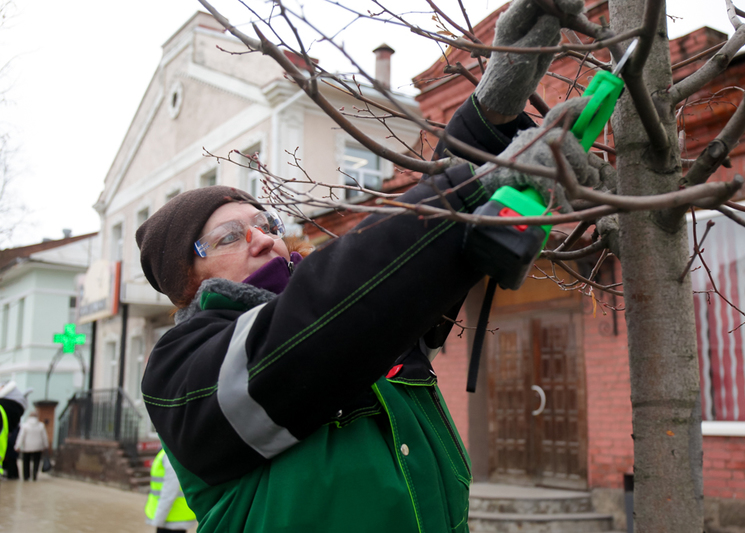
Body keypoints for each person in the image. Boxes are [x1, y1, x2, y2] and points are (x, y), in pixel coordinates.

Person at [138, 1, 596, 531]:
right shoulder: (181, 370)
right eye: (230, 237)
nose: (264, 239)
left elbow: (386, 285)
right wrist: (473, 190)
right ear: (186, 282)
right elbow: (318, 319)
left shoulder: (354, 316)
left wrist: (492, 113)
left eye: (265, 221)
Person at [145, 449, 197, 533]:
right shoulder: (172, 452)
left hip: (171, 518)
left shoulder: (171, 454)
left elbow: (169, 492)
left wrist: (158, 519)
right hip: (174, 516)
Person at [15, 412, 48, 481]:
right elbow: (44, 437)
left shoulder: (25, 425)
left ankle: (26, 476)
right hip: (38, 447)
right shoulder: (41, 425)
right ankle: (34, 475)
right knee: (36, 461)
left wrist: (17, 446)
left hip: (27, 446)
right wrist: (45, 445)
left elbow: (21, 436)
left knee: (26, 462)